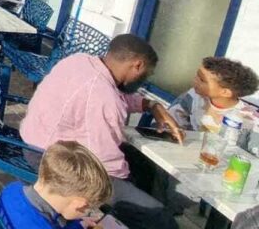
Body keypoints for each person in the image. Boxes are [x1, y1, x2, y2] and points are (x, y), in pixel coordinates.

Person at [20, 34, 183, 229]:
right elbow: (107, 163)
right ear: (137, 65)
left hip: (33, 141)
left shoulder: (79, 61)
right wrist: (129, 186)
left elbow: (115, 94)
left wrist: (150, 105)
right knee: (160, 218)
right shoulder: (103, 97)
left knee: (140, 164)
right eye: (146, 75)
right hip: (51, 161)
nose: (144, 80)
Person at [0, 141, 112, 229]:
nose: (87, 212)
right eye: (89, 208)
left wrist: (78, 225)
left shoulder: (12, 188)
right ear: (79, 205)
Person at [167, 56, 259, 131]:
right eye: (197, 75)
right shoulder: (193, 96)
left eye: (202, 80)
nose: (195, 80)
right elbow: (171, 119)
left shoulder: (247, 118)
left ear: (225, 92)